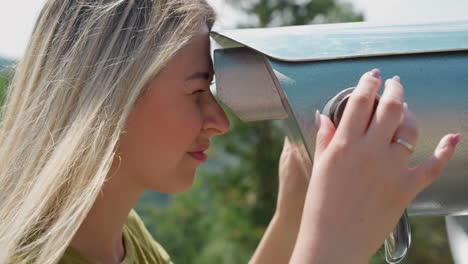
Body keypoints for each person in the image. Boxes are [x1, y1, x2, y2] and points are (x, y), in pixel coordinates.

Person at [0, 0, 461, 263]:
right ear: (109, 98)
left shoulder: (119, 236)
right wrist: (335, 242)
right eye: (197, 90)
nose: (219, 121)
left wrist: (294, 214)